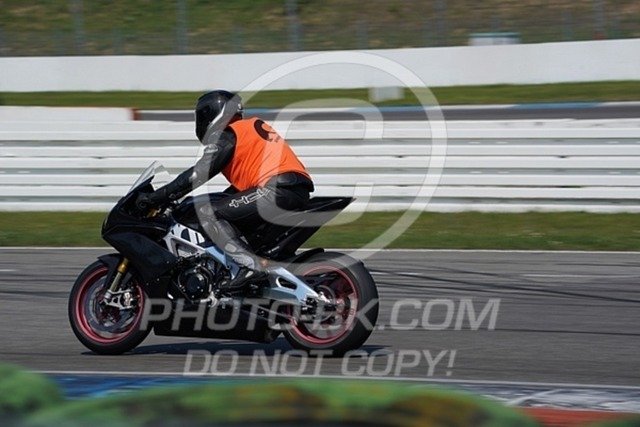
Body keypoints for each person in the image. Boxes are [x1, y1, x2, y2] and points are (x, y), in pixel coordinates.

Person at [135, 90, 314, 290]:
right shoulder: (247, 130)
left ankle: (250, 266)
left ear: (211, 114)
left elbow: (197, 175)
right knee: (223, 209)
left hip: (275, 189)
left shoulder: (228, 134)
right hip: (291, 189)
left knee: (208, 213)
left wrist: (155, 198)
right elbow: (239, 189)